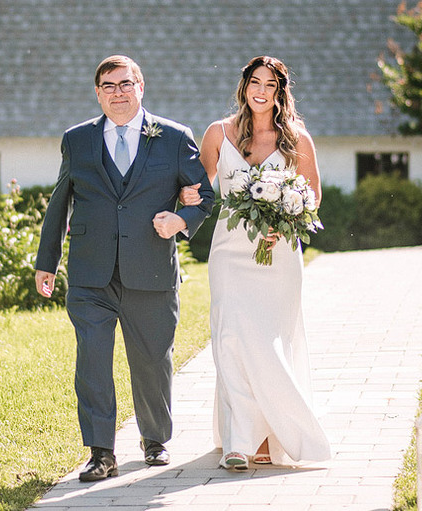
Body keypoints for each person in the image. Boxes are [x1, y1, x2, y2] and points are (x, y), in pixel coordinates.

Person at [35, 55, 215, 482]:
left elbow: (205, 196)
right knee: (92, 362)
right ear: (98, 93)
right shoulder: (76, 140)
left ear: (141, 87)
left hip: (150, 271)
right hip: (90, 274)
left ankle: (155, 440)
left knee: (152, 361)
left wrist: (181, 221)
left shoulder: (173, 137)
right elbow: (60, 201)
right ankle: (101, 453)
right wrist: (47, 261)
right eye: (108, 86)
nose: (118, 93)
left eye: (125, 84)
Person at [181, 55, 331, 469]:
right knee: (230, 336)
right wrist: (186, 199)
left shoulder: (296, 139)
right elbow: (199, 190)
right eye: (255, 82)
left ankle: (267, 436)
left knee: (267, 344)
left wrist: (286, 223)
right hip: (229, 253)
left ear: (281, 92)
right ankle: (238, 442)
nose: (261, 91)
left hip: (278, 257)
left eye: (270, 84)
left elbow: (313, 194)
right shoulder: (219, 133)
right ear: (244, 86)